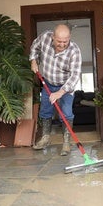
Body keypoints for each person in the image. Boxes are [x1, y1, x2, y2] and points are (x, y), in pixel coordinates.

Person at [30, 24, 82, 156]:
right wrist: (33, 60)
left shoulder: (74, 51)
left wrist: (60, 93)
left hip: (65, 87)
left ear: (69, 38)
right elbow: (34, 47)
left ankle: (66, 142)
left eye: (65, 41)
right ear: (53, 36)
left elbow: (75, 75)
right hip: (47, 82)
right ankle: (46, 138)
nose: (62, 44)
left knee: (66, 113)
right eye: (59, 41)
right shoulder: (44, 38)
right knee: (45, 110)